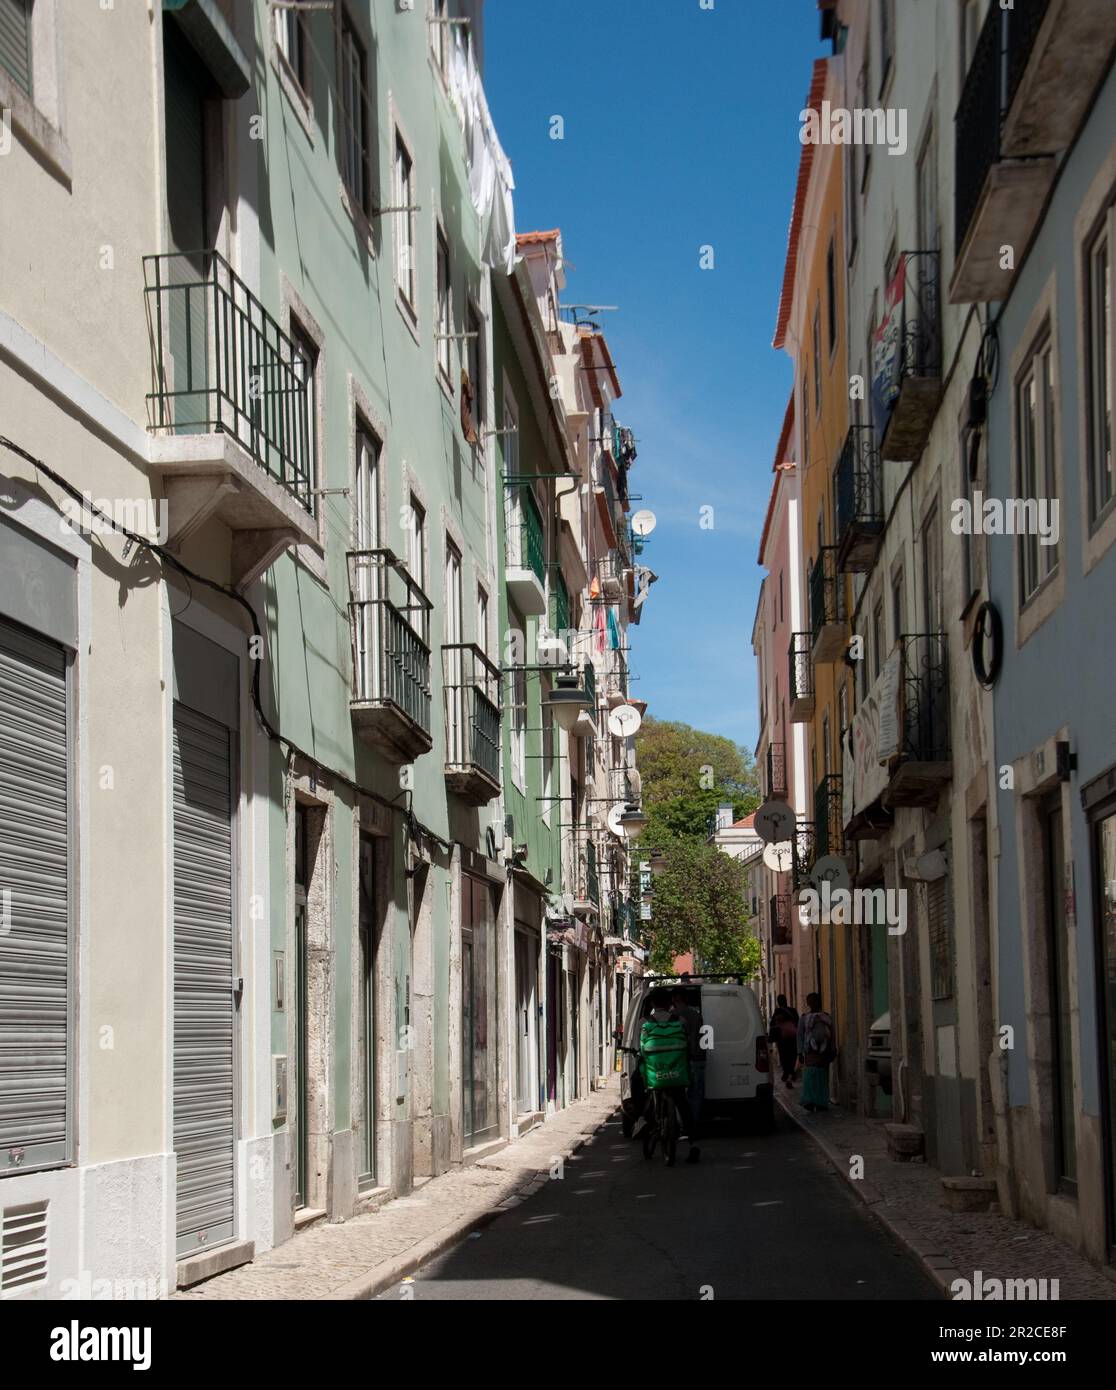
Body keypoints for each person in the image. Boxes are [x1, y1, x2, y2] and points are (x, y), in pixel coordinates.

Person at [639, 988, 700, 1163]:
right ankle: (692, 1143)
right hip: (677, 1073)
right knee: (683, 1105)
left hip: (655, 1074)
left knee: (647, 1096)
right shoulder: (680, 1021)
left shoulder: (644, 1023)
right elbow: (688, 1044)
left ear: (652, 1003)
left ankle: (643, 1122)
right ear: (669, 1003)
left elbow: (641, 1049)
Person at [671, 987, 706, 1136]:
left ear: (675, 999)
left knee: (677, 1095)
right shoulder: (696, 1015)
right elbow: (702, 1039)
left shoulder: (671, 1016)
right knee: (696, 1095)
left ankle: (679, 1125)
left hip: (678, 1061)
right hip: (697, 1059)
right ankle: (693, 1125)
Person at [797, 992, 836, 1113]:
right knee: (810, 1075)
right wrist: (800, 1053)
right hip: (810, 1052)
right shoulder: (804, 1018)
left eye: (815, 1000)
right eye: (811, 1001)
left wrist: (832, 1048)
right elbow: (800, 1036)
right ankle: (810, 1100)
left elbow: (831, 1034)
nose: (813, 1003)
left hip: (824, 1052)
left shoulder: (826, 1017)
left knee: (822, 1076)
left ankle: (821, 1102)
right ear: (808, 1003)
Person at [768, 993, 800, 1088]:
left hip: (782, 1039)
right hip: (793, 1038)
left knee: (784, 1056)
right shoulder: (792, 1011)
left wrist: (772, 1037)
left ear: (778, 1002)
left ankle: (787, 1072)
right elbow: (797, 1023)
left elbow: (772, 1025)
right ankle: (791, 1072)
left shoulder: (777, 1012)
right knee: (792, 1055)